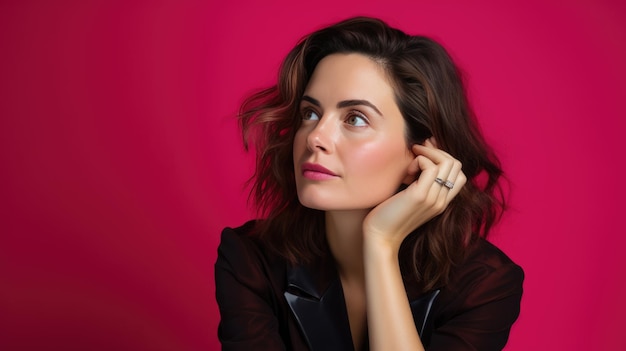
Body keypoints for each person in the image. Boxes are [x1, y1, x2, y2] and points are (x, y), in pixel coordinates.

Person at [215, 16, 523, 351]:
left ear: (420, 156)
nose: (316, 137)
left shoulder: (483, 284)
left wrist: (381, 245)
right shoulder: (251, 260)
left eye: (355, 119)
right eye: (310, 113)